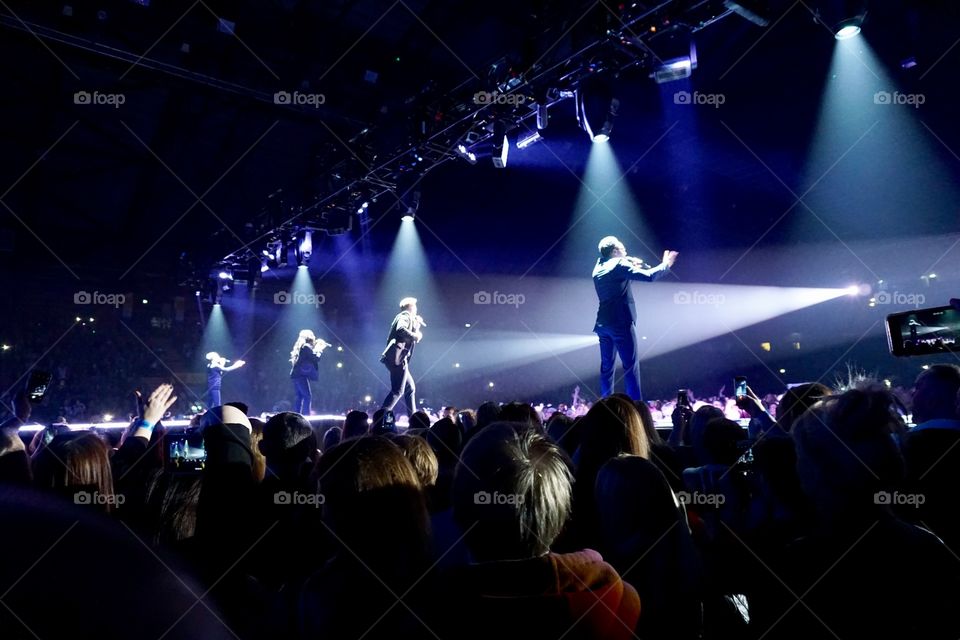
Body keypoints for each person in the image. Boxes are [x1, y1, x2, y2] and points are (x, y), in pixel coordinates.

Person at [592, 236, 678, 400]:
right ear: (615, 251)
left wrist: (631, 263)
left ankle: (605, 406)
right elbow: (649, 276)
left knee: (606, 368)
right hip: (620, 322)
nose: (626, 250)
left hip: (603, 323)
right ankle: (637, 408)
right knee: (630, 367)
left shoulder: (598, 267)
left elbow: (618, 285)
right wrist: (665, 265)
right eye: (623, 248)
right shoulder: (619, 263)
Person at [379, 297, 424, 417]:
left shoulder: (410, 318)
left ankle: (413, 419)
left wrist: (416, 326)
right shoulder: (404, 315)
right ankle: (380, 419)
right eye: (415, 306)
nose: (416, 309)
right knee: (398, 391)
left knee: (410, 388)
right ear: (411, 307)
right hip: (397, 357)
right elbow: (401, 330)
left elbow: (409, 335)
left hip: (397, 357)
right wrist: (416, 335)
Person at [289, 330, 330, 415]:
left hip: (296, 375)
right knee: (307, 396)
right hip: (300, 375)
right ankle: (306, 416)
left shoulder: (303, 347)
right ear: (309, 337)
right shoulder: (306, 347)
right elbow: (315, 358)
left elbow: (310, 355)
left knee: (299, 397)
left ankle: (297, 415)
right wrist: (319, 349)